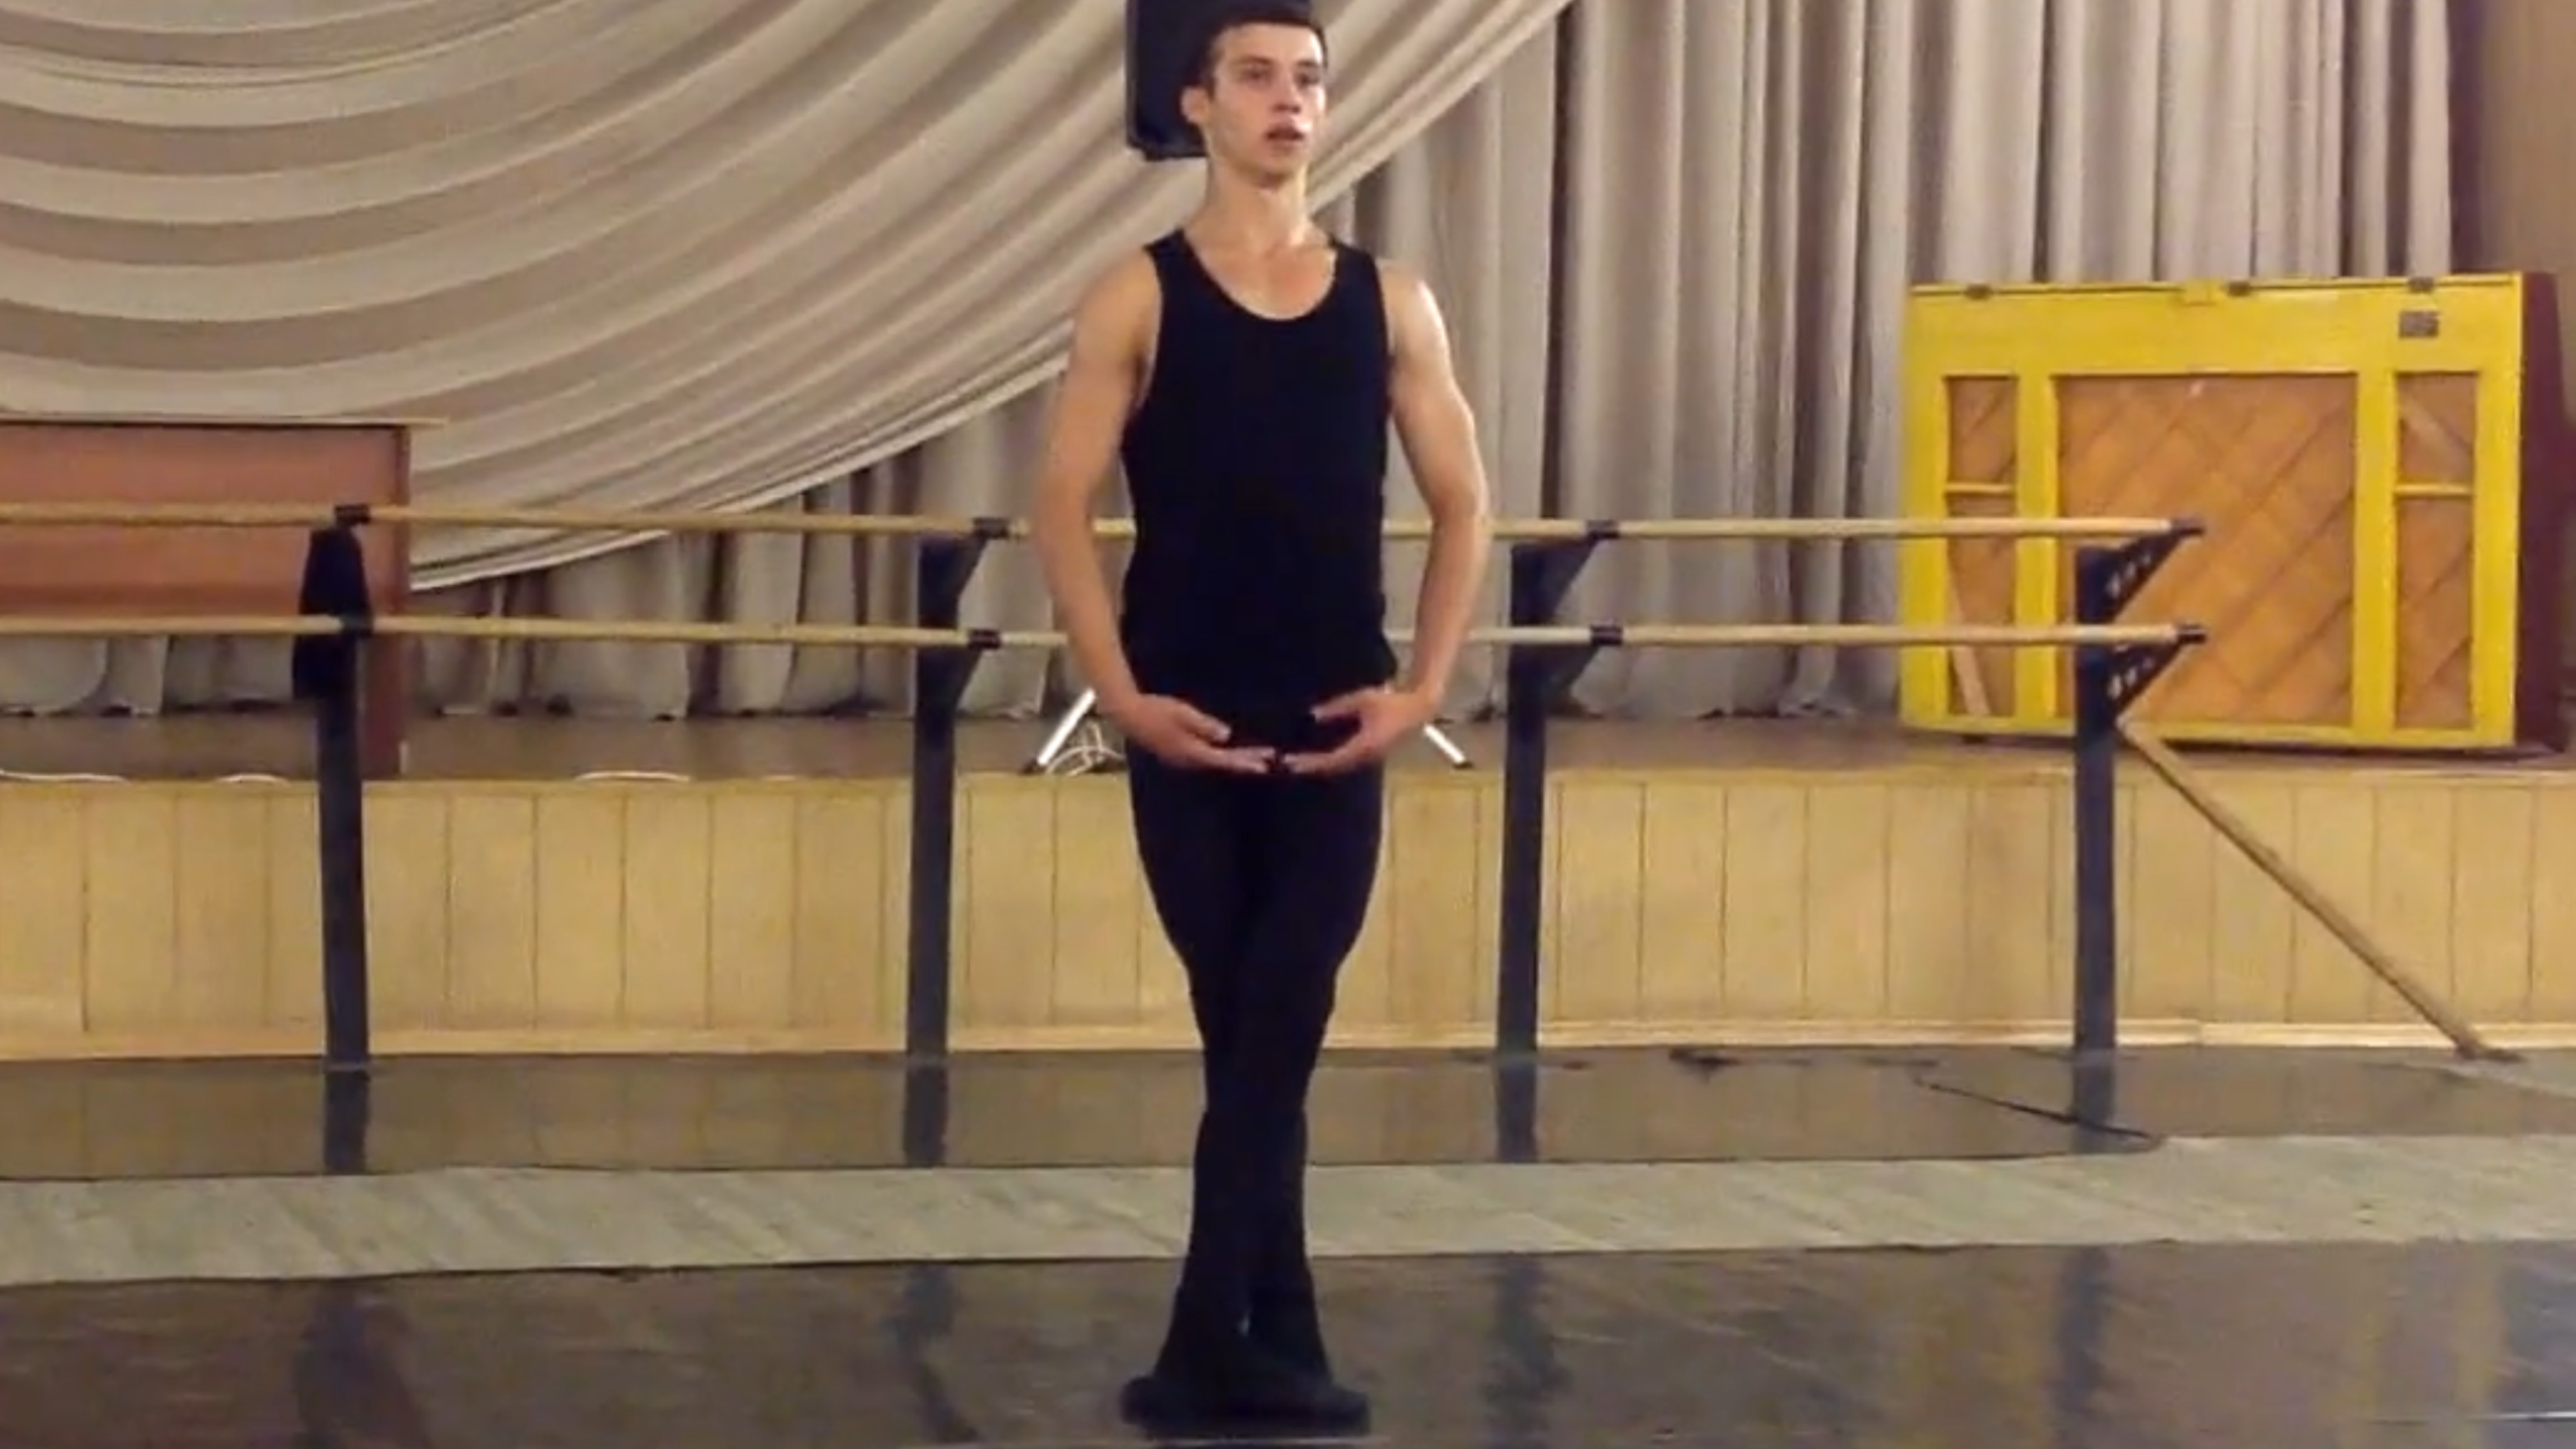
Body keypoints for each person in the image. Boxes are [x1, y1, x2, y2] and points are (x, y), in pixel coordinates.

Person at [1029, 0, 1493, 1433]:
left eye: (1307, 79)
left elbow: (1465, 503)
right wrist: (1120, 696)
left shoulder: (1390, 301)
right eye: (1256, 76)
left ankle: (1204, 1344)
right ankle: (1275, 1332)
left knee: (1277, 1022)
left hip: (1333, 725)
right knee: (1243, 1032)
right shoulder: (1137, 296)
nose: (1287, 100)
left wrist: (1422, 688)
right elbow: (1059, 505)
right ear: (1198, 104)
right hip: (1187, 728)